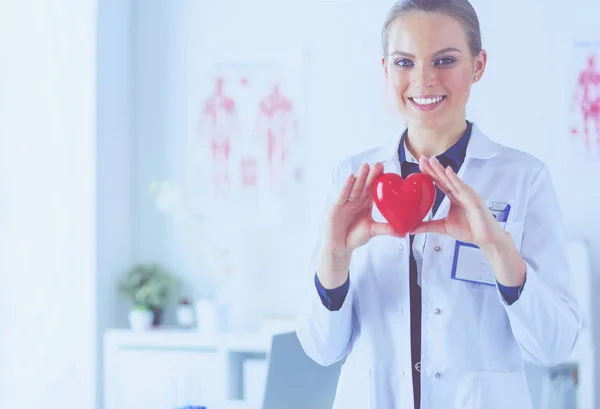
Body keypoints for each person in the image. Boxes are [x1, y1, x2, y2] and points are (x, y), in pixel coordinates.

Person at [295, 1, 581, 408]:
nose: (423, 80)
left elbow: (554, 346)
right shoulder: (352, 180)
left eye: (444, 60)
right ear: (385, 70)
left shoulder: (523, 179)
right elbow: (321, 349)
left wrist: (499, 251)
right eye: (404, 62)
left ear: (479, 65)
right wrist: (335, 256)